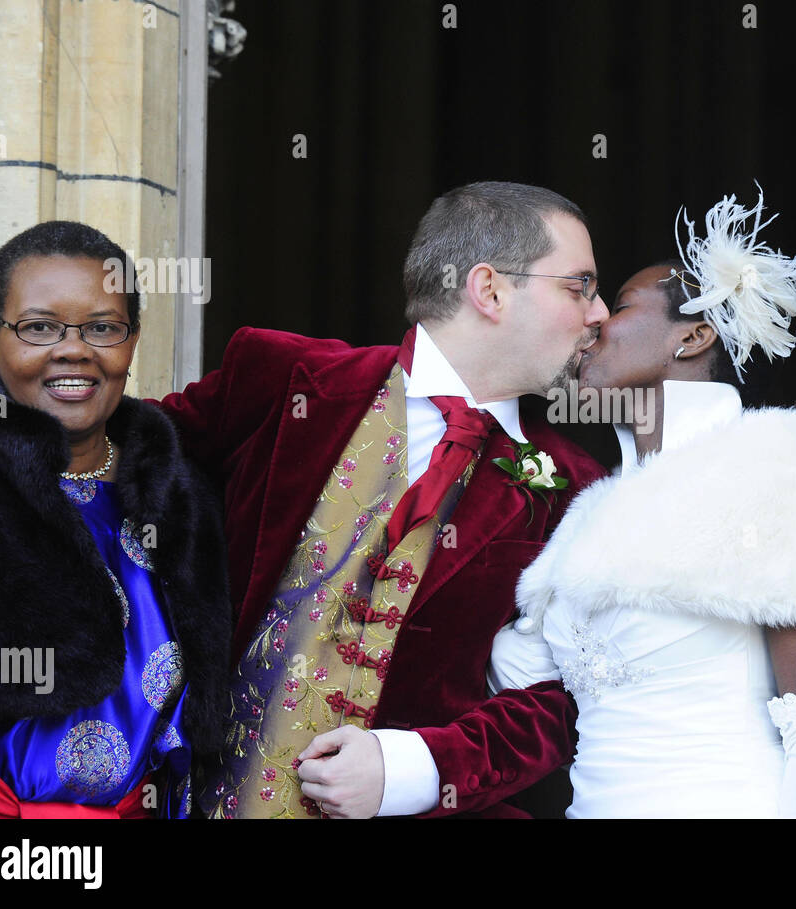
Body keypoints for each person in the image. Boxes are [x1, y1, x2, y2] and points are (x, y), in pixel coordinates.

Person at [158, 181, 610, 818]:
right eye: (580, 285)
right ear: (489, 290)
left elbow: (566, 698)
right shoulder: (285, 379)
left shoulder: (575, 486)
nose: (599, 314)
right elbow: (104, 465)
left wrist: (416, 769)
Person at [490, 188, 796, 817]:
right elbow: (517, 683)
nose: (592, 323)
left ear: (694, 336)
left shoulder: (771, 460)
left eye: (614, 305)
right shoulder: (589, 512)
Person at [0, 220, 230, 818]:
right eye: (39, 327)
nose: (74, 349)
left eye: (103, 328)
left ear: (132, 341)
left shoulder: (185, 500)